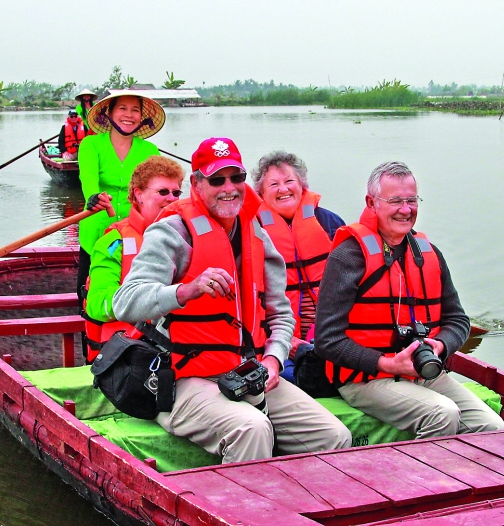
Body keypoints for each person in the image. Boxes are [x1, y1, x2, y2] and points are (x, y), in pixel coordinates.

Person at [114, 137, 352, 464]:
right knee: (252, 428)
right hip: (183, 379)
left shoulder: (256, 232)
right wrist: (185, 290)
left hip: (245, 372)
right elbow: (124, 302)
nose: (229, 187)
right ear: (197, 184)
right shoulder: (173, 231)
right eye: (216, 179)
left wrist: (273, 360)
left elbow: (281, 315)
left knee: (334, 435)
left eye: (236, 177)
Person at [314, 161, 504, 440]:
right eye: (395, 201)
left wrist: (441, 345)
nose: (406, 209)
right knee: (442, 413)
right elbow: (327, 340)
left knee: (492, 427)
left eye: (411, 200)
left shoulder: (429, 254)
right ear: (371, 202)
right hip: (364, 379)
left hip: (423, 372)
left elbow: (458, 320)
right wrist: (387, 364)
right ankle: (431, 482)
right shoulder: (348, 257)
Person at [84, 155, 184, 362]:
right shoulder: (114, 242)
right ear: (138, 195)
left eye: (176, 193)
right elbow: (95, 303)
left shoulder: (187, 236)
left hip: (180, 348)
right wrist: (147, 302)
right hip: (129, 357)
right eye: (163, 192)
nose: (172, 199)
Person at [252, 151, 344, 375]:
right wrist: (286, 341)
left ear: (302, 185)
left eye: (289, 181)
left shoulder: (330, 222)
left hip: (329, 333)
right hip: (278, 337)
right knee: (290, 376)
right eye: (273, 184)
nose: (283, 189)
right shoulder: (251, 231)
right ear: (260, 193)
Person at [76, 91, 165, 297]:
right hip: (97, 227)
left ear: (141, 117)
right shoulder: (91, 144)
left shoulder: (150, 150)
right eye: (122, 108)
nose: (129, 115)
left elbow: (156, 190)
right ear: (110, 112)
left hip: (134, 231)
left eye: (135, 110)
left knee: (133, 292)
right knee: (88, 294)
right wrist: (95, 198)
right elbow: (88, 180)